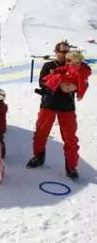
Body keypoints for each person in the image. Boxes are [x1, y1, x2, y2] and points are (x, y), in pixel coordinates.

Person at [26, 41, 84, 180]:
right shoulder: (49, 66)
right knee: (41, 133)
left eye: (66, 51)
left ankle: (71, 167)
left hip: (67, 106)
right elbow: (42, 82)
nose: (64, 54)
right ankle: (38, 157)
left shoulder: (74, 66)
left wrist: (74, 87)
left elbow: (82, 82)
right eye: (61, 51)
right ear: (56, 51)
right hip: (49, 104)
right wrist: (59, 83)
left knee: (70, 138)